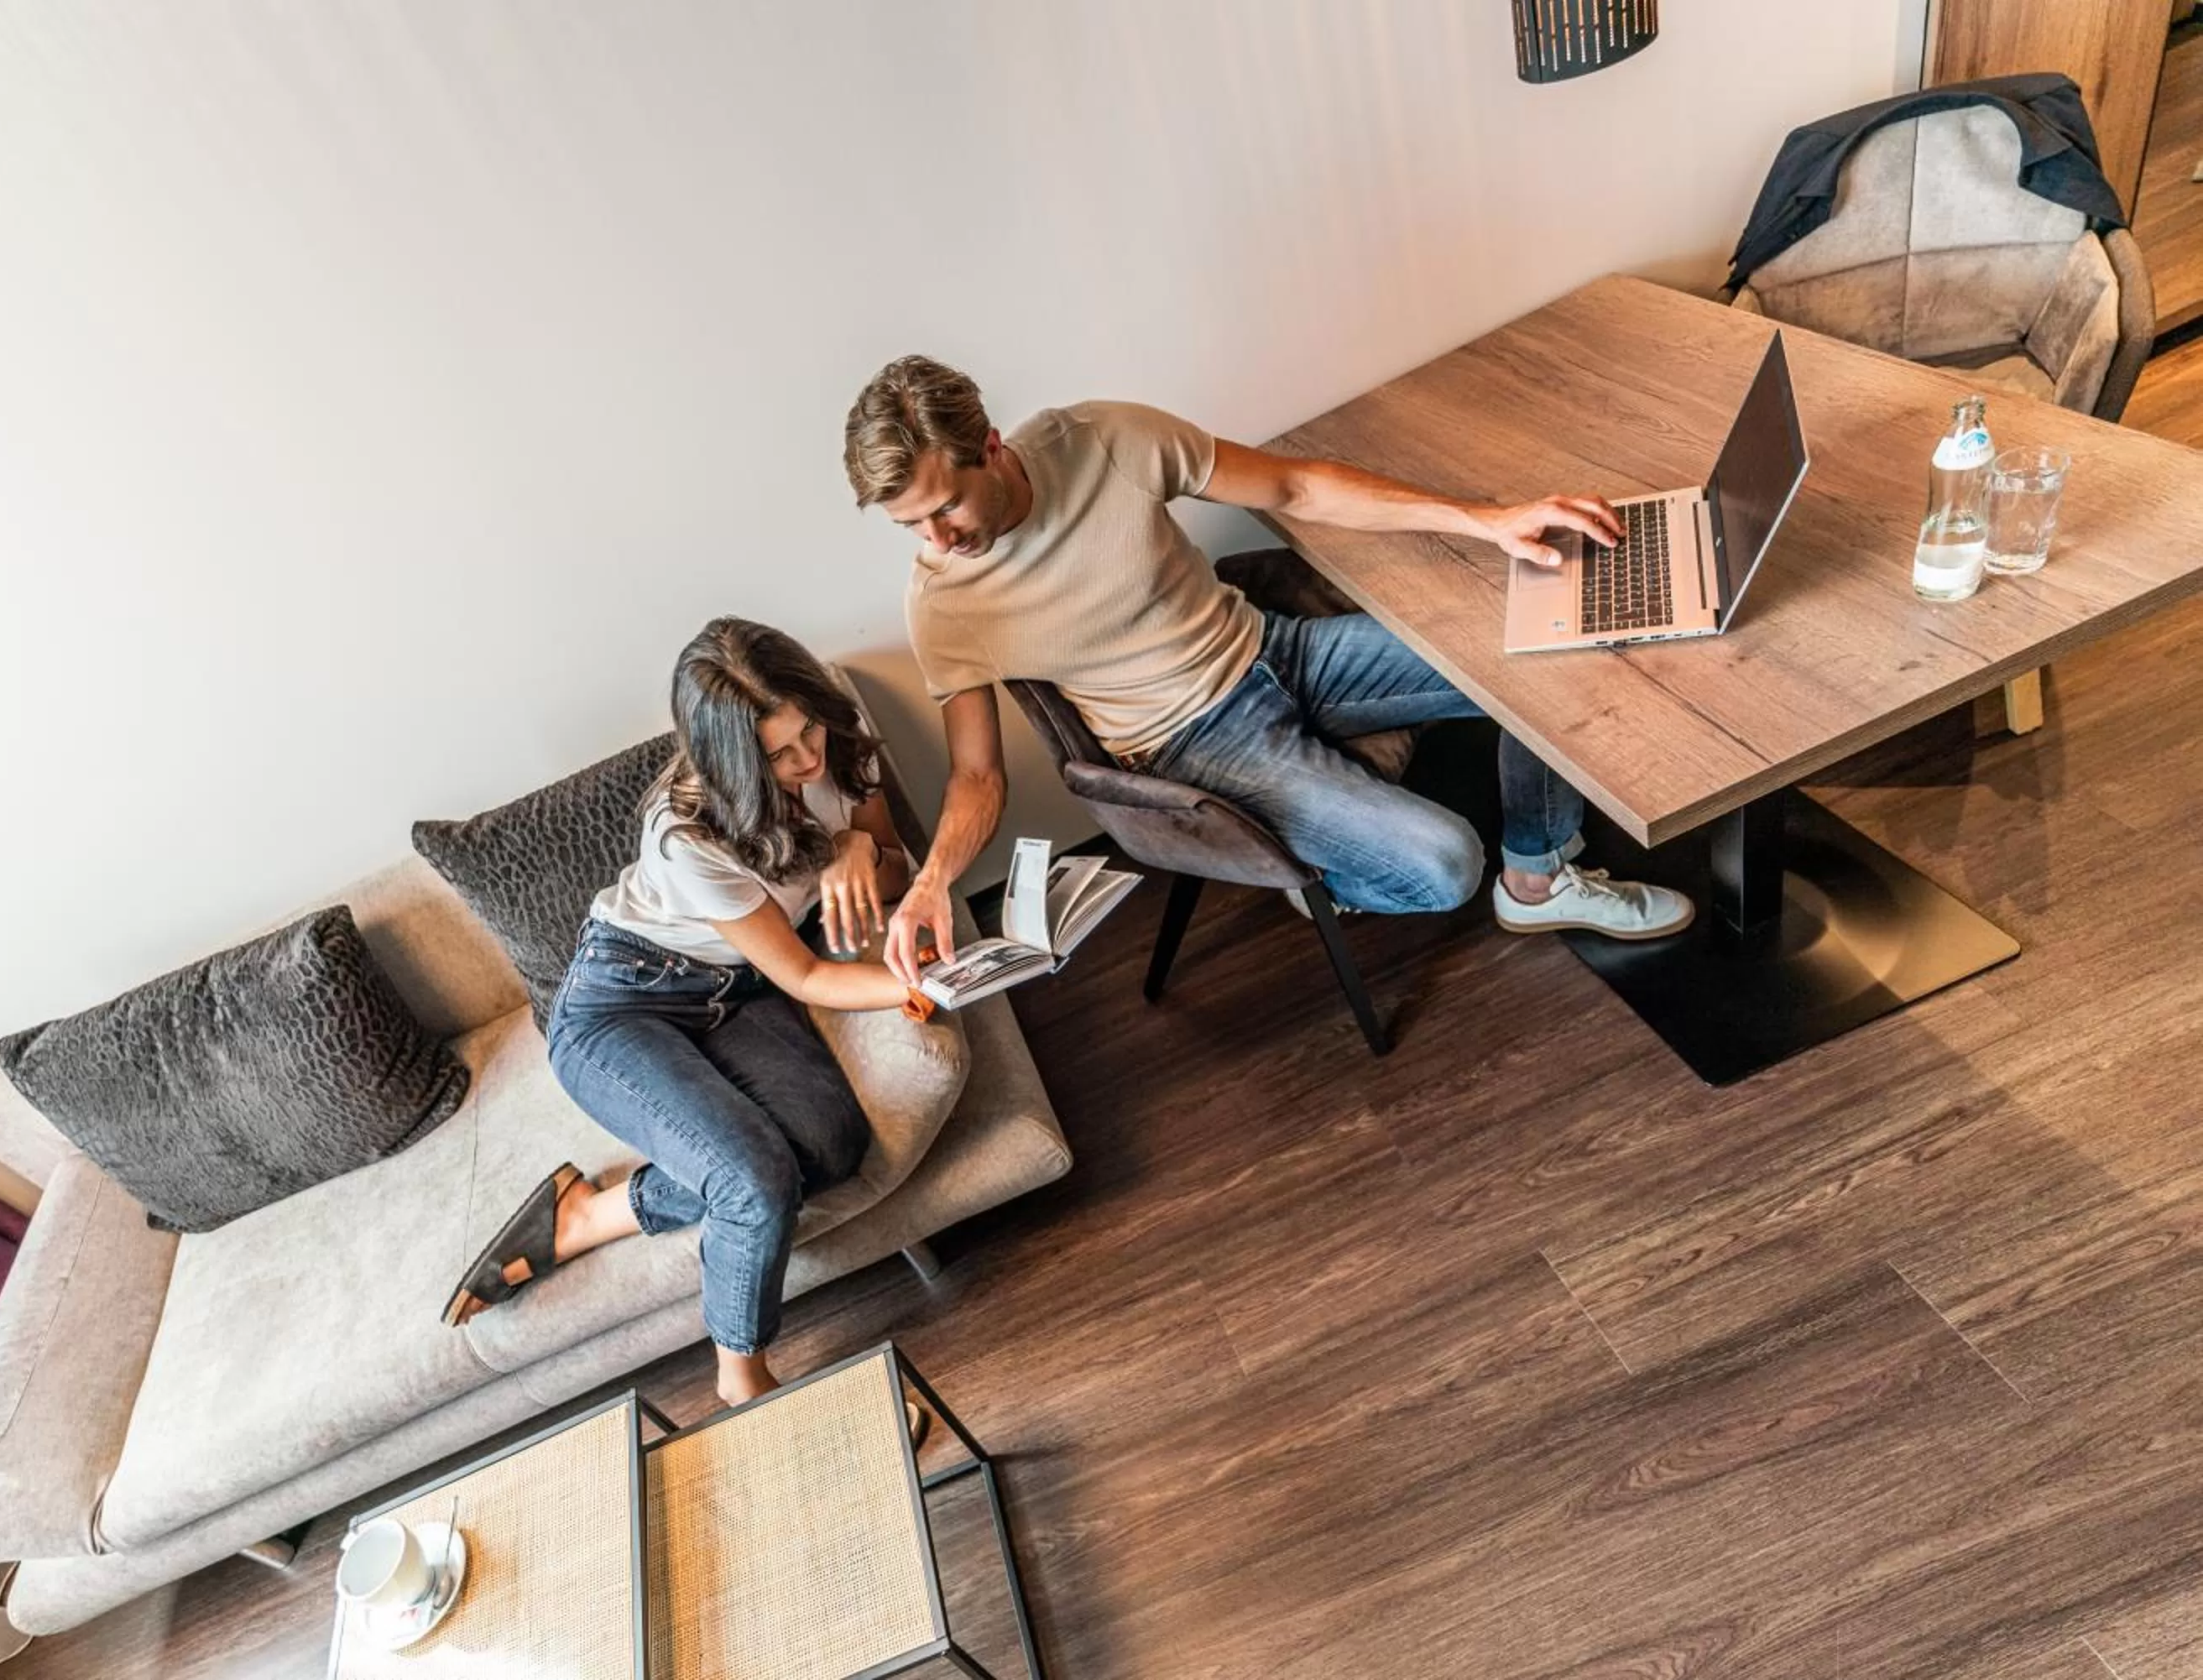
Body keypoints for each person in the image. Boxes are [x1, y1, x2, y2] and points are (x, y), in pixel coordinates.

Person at [838, 356, 1695, 986]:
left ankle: (1539, 874)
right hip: (1194, 750)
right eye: (912, 525)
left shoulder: (1103, 440)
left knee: (1540, 643)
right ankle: (1333, 863)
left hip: (1275, 651)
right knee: (1443, 865)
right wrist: (929, 884)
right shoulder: (944, 602)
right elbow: (978, 775)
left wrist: (1486, 520)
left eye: (944, 506)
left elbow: (1293, 487)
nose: (938, 541)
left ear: (988, 446)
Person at [441, 618, 927, 1409]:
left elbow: (897, 870)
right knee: (754, 1180)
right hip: (623, 1008)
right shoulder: (686, 835)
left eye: (808, 731)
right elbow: (802, 971)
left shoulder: (835, 734)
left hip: (737, 991)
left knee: (832, 1146)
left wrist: (858, 851)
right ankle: (745, 1382)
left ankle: (593, 1213)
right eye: (780, 755)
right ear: (735, 762)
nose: (809, 761)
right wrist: (915, 989)